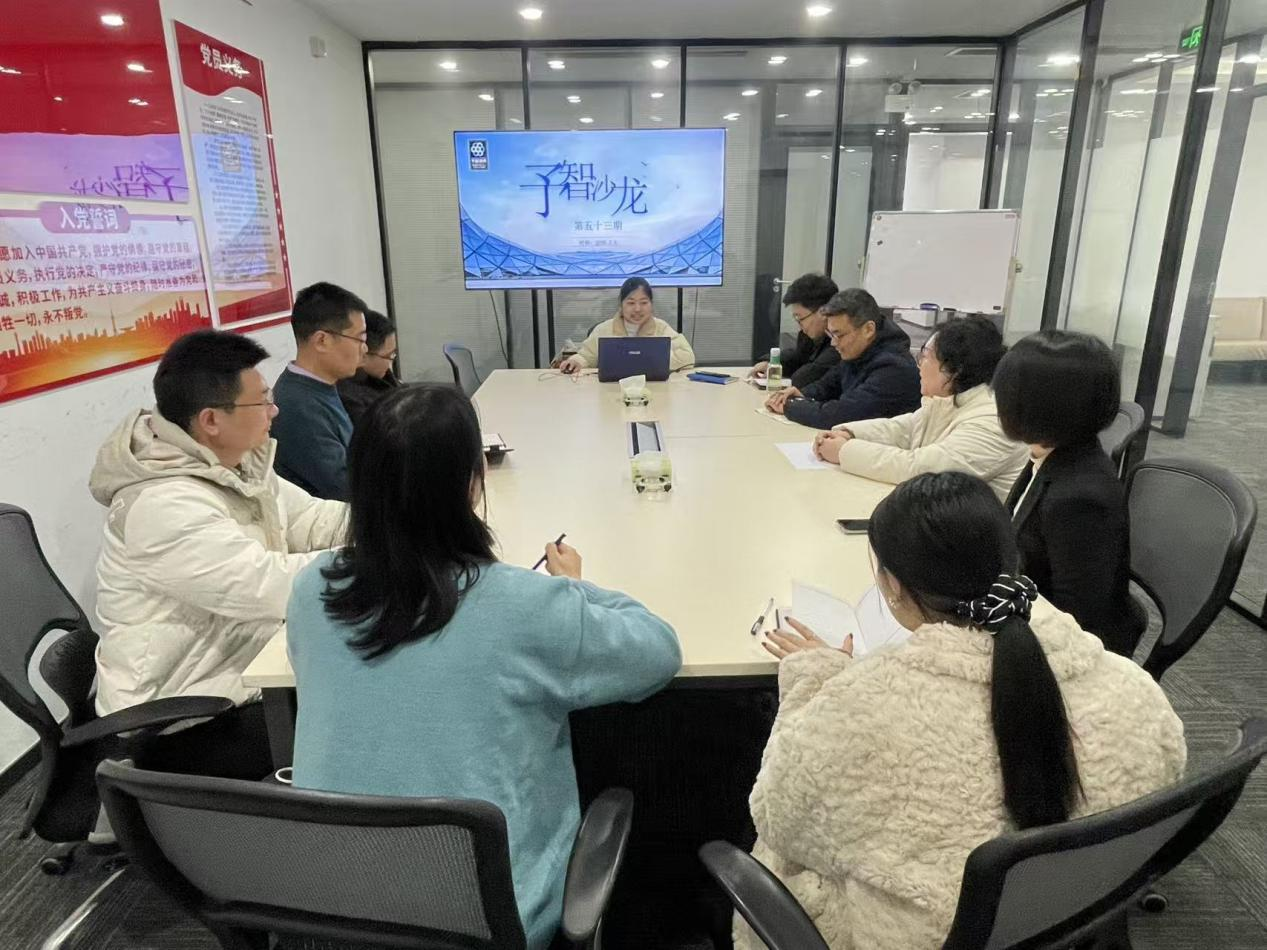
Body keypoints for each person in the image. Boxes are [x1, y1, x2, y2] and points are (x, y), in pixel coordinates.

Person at [286, 383, 682, 950]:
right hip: (486, 918)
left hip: (332, 911)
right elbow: (658, 652)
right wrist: (573, 588)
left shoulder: (312, 590)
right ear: (473, 481)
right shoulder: (522, 604)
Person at [740, 472, 1185, 950]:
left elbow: (779, 820)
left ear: (893, 586)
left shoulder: (859, 712)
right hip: (1075, 919)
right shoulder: (1134, 689)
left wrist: (814, 679)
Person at [90, 330, 346, 779]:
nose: (274, 410)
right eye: (262, 401)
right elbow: (268, 585)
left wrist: (401, 522)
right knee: (356, 719)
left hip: (238, 669)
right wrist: (383, 558)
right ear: (211, 420)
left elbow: (310, 519)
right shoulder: (163, 506)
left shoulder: (235, 462)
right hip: (182, 719)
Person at [993, 330, 1146, 657]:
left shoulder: (1080, 498)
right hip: (1027, 609)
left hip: (1062, 651)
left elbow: (1076, 623)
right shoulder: (1054, 451)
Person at [812, 315, 1026, 500]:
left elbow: (919, 469)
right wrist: (849, 433)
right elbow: (904, 428)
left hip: (973, 531)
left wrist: (844, 451)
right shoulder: (949, 400)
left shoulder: (992, 420)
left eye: (925, 356)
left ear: (954, 369)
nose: (919, 364)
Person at [764, 288, 920, 429]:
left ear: (868, 329)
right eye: (831, 334)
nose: (833, 343)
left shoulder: (894, 368)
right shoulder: (860, 351)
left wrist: (789, 407)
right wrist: (802, 394)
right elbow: (829, 384)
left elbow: (842, 414)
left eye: (839, 335)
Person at [271, 281, 368, 500]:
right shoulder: (297, 406)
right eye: (359, 339)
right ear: (322, 341)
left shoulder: (320, 386)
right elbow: (347, 489)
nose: (365, 349)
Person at [558, 276, 695, 374]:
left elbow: (688, 357)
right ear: (621, 305)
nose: (637, 309)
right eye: (631, 303)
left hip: (654, 390)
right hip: (610, 390)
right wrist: (575, 362)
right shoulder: (604, 329)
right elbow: (586, 356)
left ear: (651, 304)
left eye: (643, 302)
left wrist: (653, 361)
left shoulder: (661, 328)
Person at [750, 273, 840, 389]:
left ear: (823, 312)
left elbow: (804, 378)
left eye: (800, 319)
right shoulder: (811, 335)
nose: (799, 326)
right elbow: (798, 357)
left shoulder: (840, 341)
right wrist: (771, 363)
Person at [337, 308, 402, 430]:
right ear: (364, 354)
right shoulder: (349, 399)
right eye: (389, 355)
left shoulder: (382, 377)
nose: (391, 362)